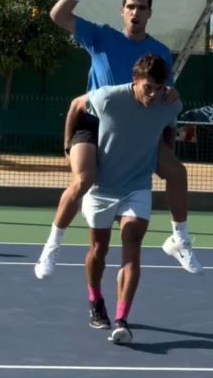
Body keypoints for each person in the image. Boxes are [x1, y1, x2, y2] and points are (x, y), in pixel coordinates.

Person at [34, 0, 202, 280]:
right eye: (131, 7)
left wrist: (170, 108)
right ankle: (51, 247)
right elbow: (58, 15)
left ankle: (180, 240)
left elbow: (164, 97)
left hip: (137, 131)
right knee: (83, 180)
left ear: (149, 13)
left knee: (177, 173)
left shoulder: (160, 52)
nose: (136, 12)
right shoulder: (100, 37)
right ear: (122, 11)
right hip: (94, 125)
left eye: (142, 8)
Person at [73, 55, 182, 344]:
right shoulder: (108, 98)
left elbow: (169, 128)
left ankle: (121, 320)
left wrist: (162, 158)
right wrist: (67, 148)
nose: (154, 94)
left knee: (132, 247)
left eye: (159, 88)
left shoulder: (169, 105)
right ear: (136, 81)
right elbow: (75, 106)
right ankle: (95, 299)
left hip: (137, 186)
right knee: (98, 250)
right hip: (102, 186)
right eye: (148, 88)